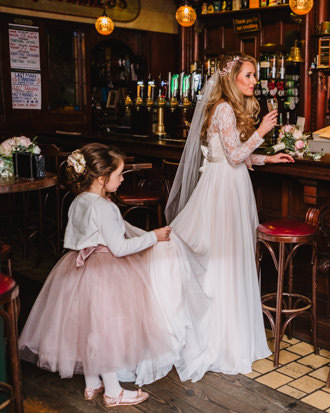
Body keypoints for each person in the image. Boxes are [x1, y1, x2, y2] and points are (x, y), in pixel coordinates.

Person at [19, 143, 178, 407]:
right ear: (102, 179)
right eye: (119, 174)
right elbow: (120, 248)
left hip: (76, 269)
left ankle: (93, 383)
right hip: (105, 271)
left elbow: (76, 238)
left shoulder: (78, 200)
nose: (123, 178)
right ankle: (113, 391)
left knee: (88, 328)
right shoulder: (104, 207)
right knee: (107, 331)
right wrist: (154, 237)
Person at [165, 53, 294, 375]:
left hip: (232, 185)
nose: (254, 82)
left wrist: (269, 160)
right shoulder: (223, 108)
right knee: (223, 259)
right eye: (248, 76)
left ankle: (234, 334)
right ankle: (219, 338)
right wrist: (263, 131)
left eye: (255, 76)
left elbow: (240, 157)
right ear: (232, 78)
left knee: (232, 258)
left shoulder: (229, 109)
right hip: (223, 190)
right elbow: (235, 157)